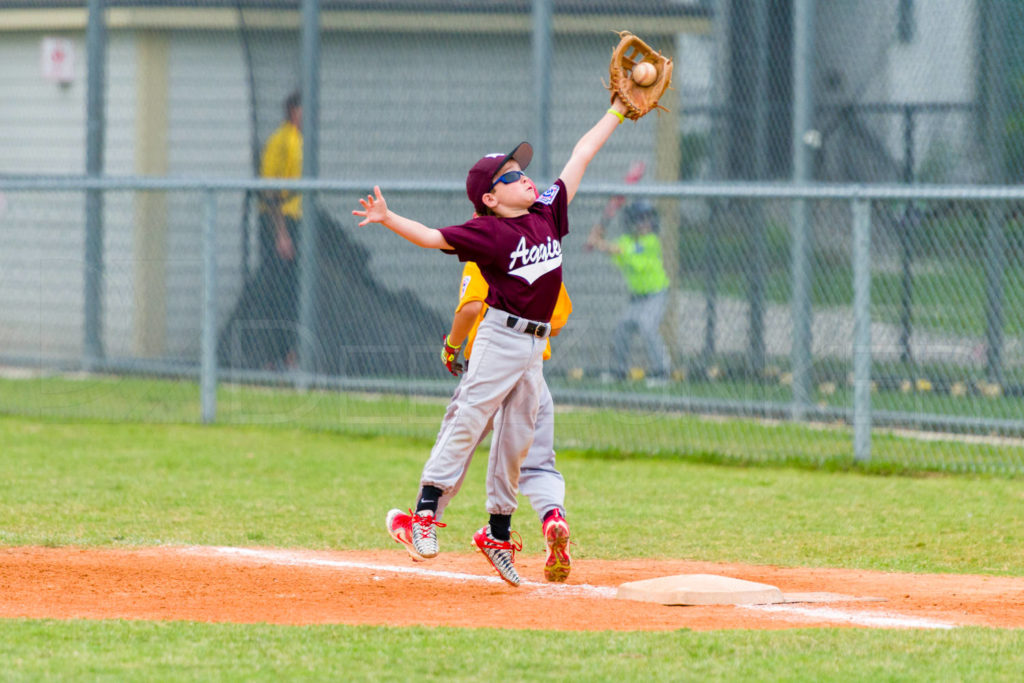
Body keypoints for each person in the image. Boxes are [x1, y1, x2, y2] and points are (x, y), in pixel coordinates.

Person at [353, 95, 630, 586]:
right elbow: (433, 237)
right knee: (469, 419)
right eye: (508, 176)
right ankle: (423, 515)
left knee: (517, 439)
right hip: (499, 340)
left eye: (521, 169)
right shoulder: (487, 233)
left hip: (533, 349)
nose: (523, 176)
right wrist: (390, 218)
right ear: (490, 198)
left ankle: (497, 532)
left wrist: (617, 111)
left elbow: (580, 155)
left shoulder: (546, 213)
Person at [388, 240, 575, 582]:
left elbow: (472, 307)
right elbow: (558, 319)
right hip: (532, 369)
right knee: (533, 459)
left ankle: (424, 518)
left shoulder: (492, 245)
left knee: (459, 441)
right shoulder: (541, 252)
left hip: (489, 368)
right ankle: (550, 518)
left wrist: (452, 346)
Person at [587, 198, 672, 382]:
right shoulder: (626, 240)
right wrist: (597, 239)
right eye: (640, 219)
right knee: (622, 329)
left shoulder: (651, 241)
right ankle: (619, 371)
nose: (645, 224)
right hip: (637, 298)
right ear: (631, 221)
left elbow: (625, 253)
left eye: (648, 219)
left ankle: (662, 371)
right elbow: (616, 250)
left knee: (647, 326)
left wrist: (601, 243)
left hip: (656, 294)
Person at [255, 90, 303, 370]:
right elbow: (271, 190)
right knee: (276, 291)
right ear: (293, 111)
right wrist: (281, 233)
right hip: (278, 223)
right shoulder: (280, 141)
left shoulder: (299, 140)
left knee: (292, 292)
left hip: (295, 222)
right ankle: (272, 358)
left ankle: (289, 355)